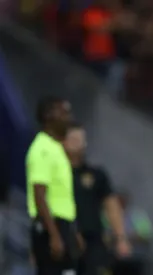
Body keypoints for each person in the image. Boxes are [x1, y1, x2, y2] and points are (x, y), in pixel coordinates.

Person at [63, 123, 131, 275]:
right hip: (64, 238)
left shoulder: (97, 174)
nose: (77, 143)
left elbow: (111, 206)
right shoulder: (56, 174)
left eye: (80, 139)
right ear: (63, 141)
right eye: (73, 138)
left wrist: (120, 238)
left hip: (93, 241)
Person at [26, 96, 82, 275]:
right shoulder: (42, 148)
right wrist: (54, 235)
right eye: (64, 112)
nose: (69, 117)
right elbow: (39, 194)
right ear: (49, 115)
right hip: (50, 225)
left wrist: (72, 232)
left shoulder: (56, 148)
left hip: (62, 225)